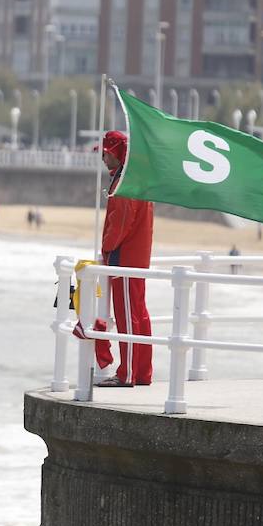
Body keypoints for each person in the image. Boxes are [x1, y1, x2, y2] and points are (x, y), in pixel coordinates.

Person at [94, 130, 154, 387]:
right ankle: (141, 372)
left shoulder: (123, 185)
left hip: (125, 259)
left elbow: (119, 225)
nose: (103, 159)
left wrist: (106, 249)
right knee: (138, 315)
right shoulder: (137, 180)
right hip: (137, 259)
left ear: (116, 153)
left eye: (106, 153)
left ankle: (127, 373)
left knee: (128, 317)